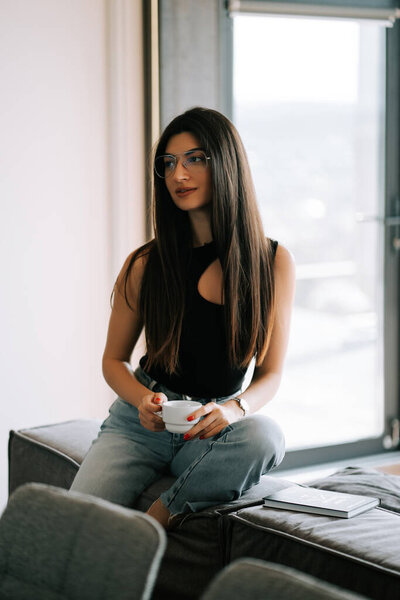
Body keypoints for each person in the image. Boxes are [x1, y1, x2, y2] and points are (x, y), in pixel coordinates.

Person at [71, 106, 296, 528]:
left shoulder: (274, 262)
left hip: (209, 430)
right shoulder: (146, 263)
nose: (178, 175)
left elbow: (271, 375)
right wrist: (141, 401)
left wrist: (234, 410)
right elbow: (112, 360)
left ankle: (157, 521)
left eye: (195, 159)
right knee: (74, 523)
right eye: (169, 163)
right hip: (141, 427)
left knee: (265, 437)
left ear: (225, 163)